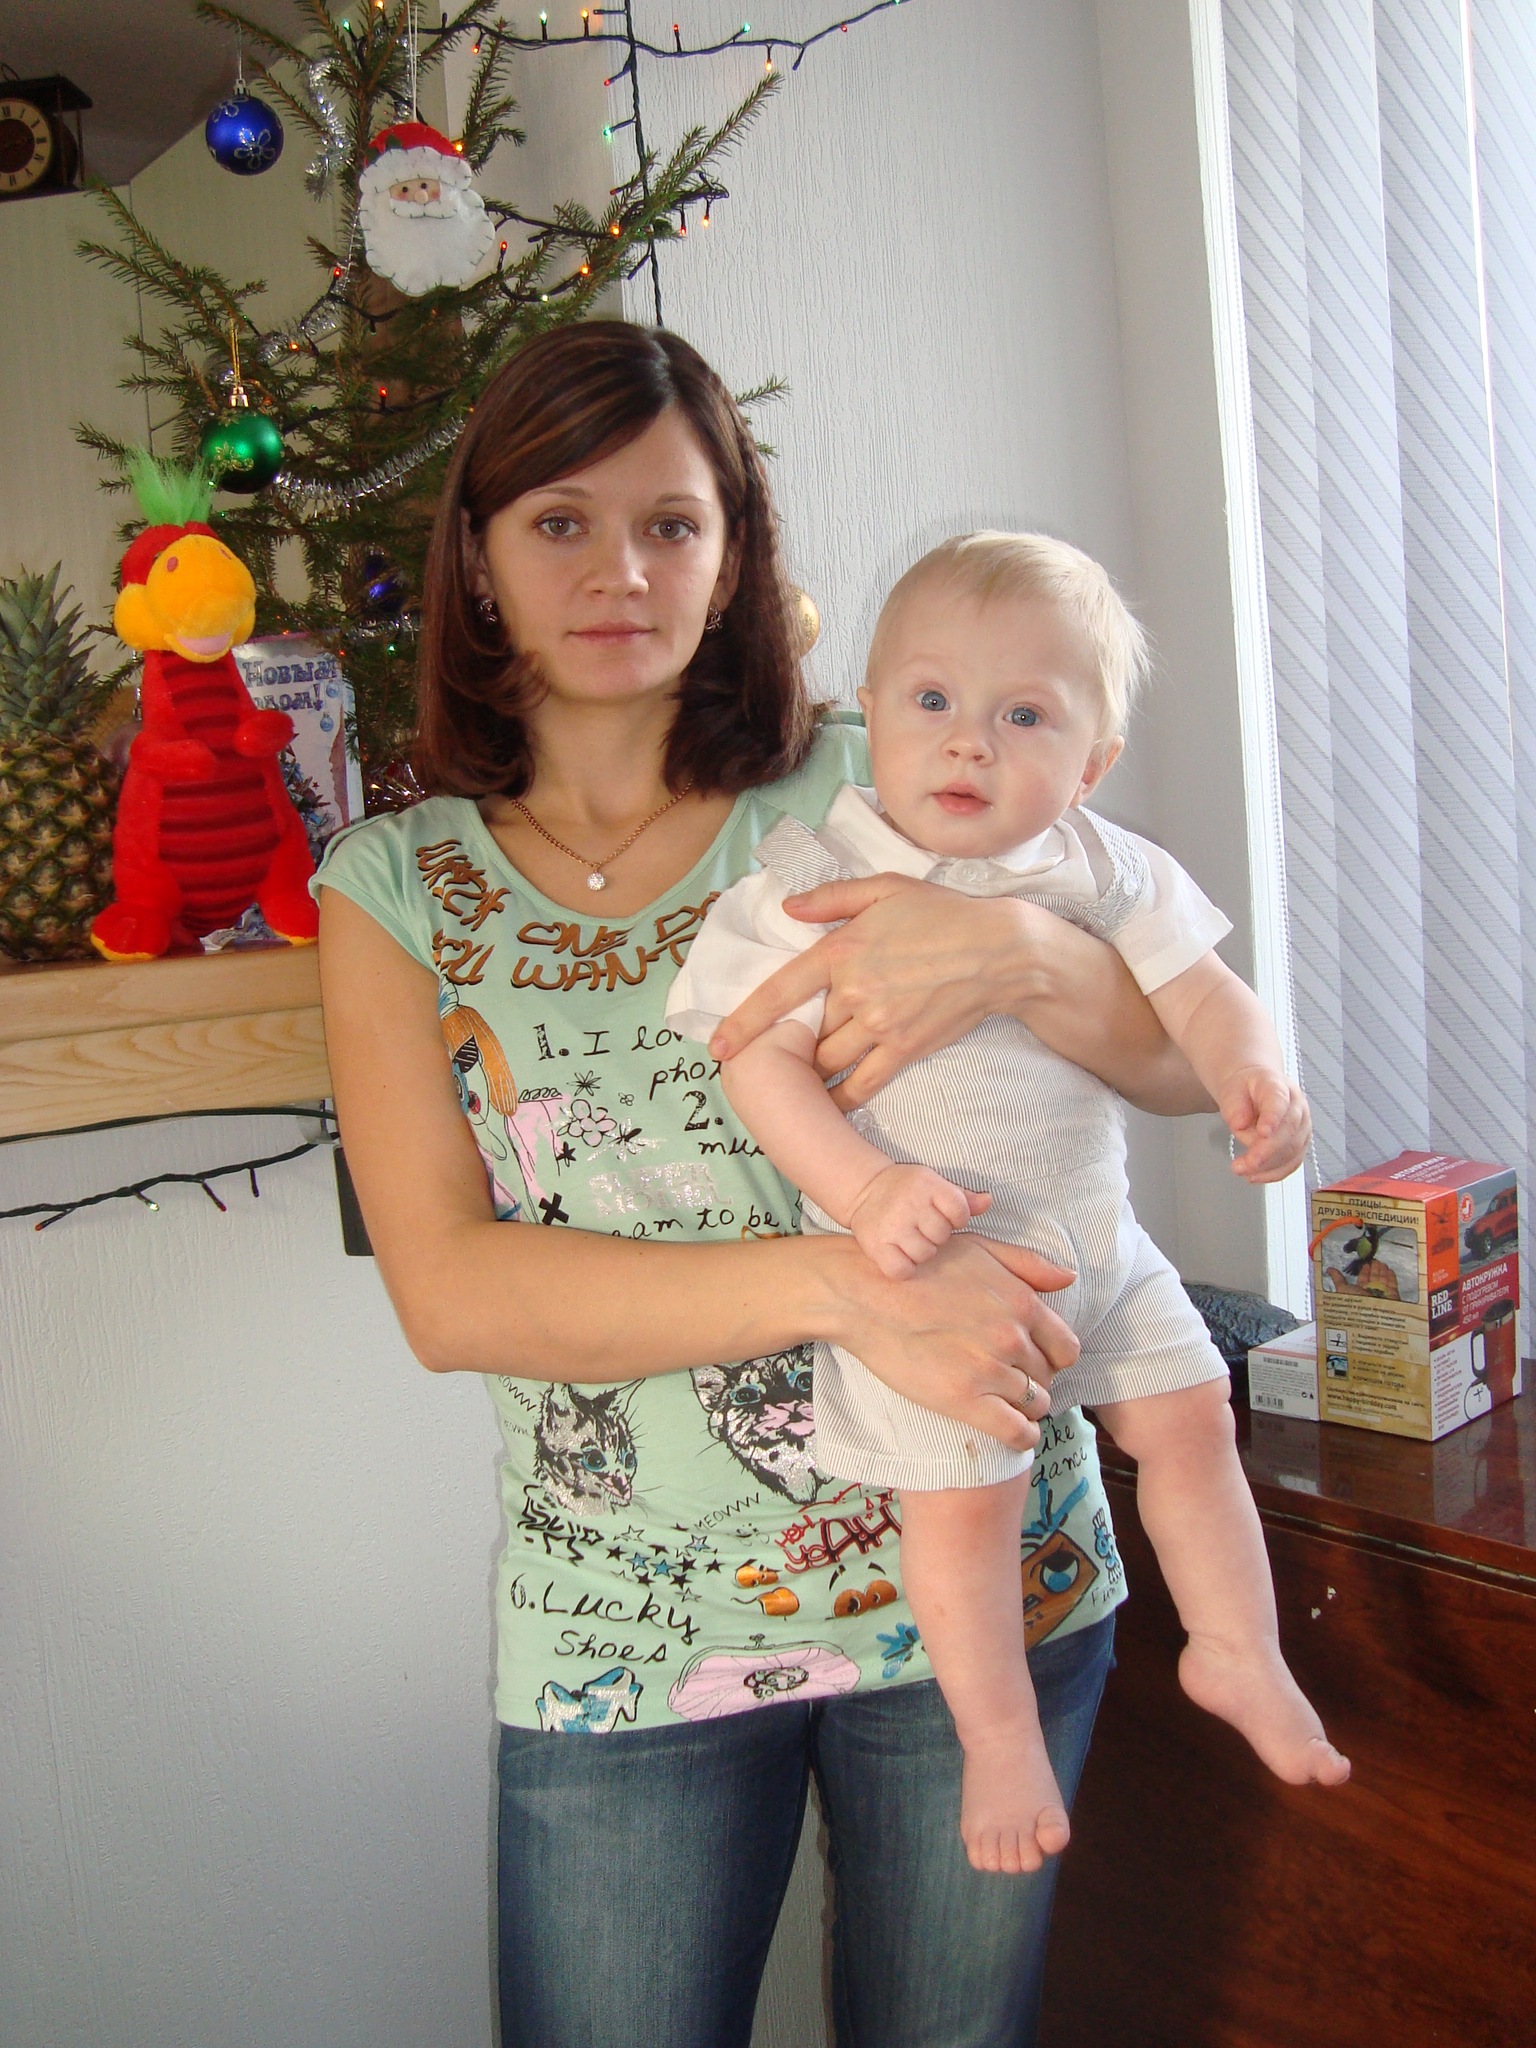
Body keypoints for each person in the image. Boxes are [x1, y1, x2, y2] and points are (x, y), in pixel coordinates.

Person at [313, 323, 1213, 2048]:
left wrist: (1026, 954)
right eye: (561, 523)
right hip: (623, 1630)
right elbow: (454, 1293)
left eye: (675, 523)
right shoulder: (396, 885)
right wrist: (846, 1286)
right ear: (479, 560)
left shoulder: (879, 773)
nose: (623, 571)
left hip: (986, 1579)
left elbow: (1183, 1061)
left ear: (734, 555)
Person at [670, 532, 1350, 1877]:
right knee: (964, 1504)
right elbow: (755, 1060)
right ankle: (996, 1738)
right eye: (932, 700)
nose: (968, 742)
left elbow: (1205, 998)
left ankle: (1236, 1649)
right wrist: (865, 1189)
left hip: (1105, 1251)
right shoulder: (807, 880)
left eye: (1024, 716)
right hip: (935, 1273)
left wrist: (1258, 1083)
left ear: (1091, 763)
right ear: (871, 712)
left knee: (1194, 1423)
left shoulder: (1106, 867)